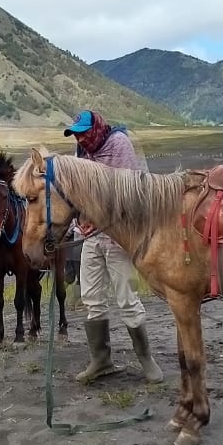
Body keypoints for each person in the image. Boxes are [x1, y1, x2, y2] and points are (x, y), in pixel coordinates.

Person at [63, 110, 164, 384]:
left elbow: (130, 191)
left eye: (84, 133)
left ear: (96, 129)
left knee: (127, 299)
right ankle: (101, 360)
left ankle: (146, 359)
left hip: (120, 236)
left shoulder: (119, 144)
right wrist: (80, 220)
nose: (81, 139)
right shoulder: (82, 151)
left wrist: (99, 221)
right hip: (91, 237)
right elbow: (79, 191)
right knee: (92, 299)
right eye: (77, 134)